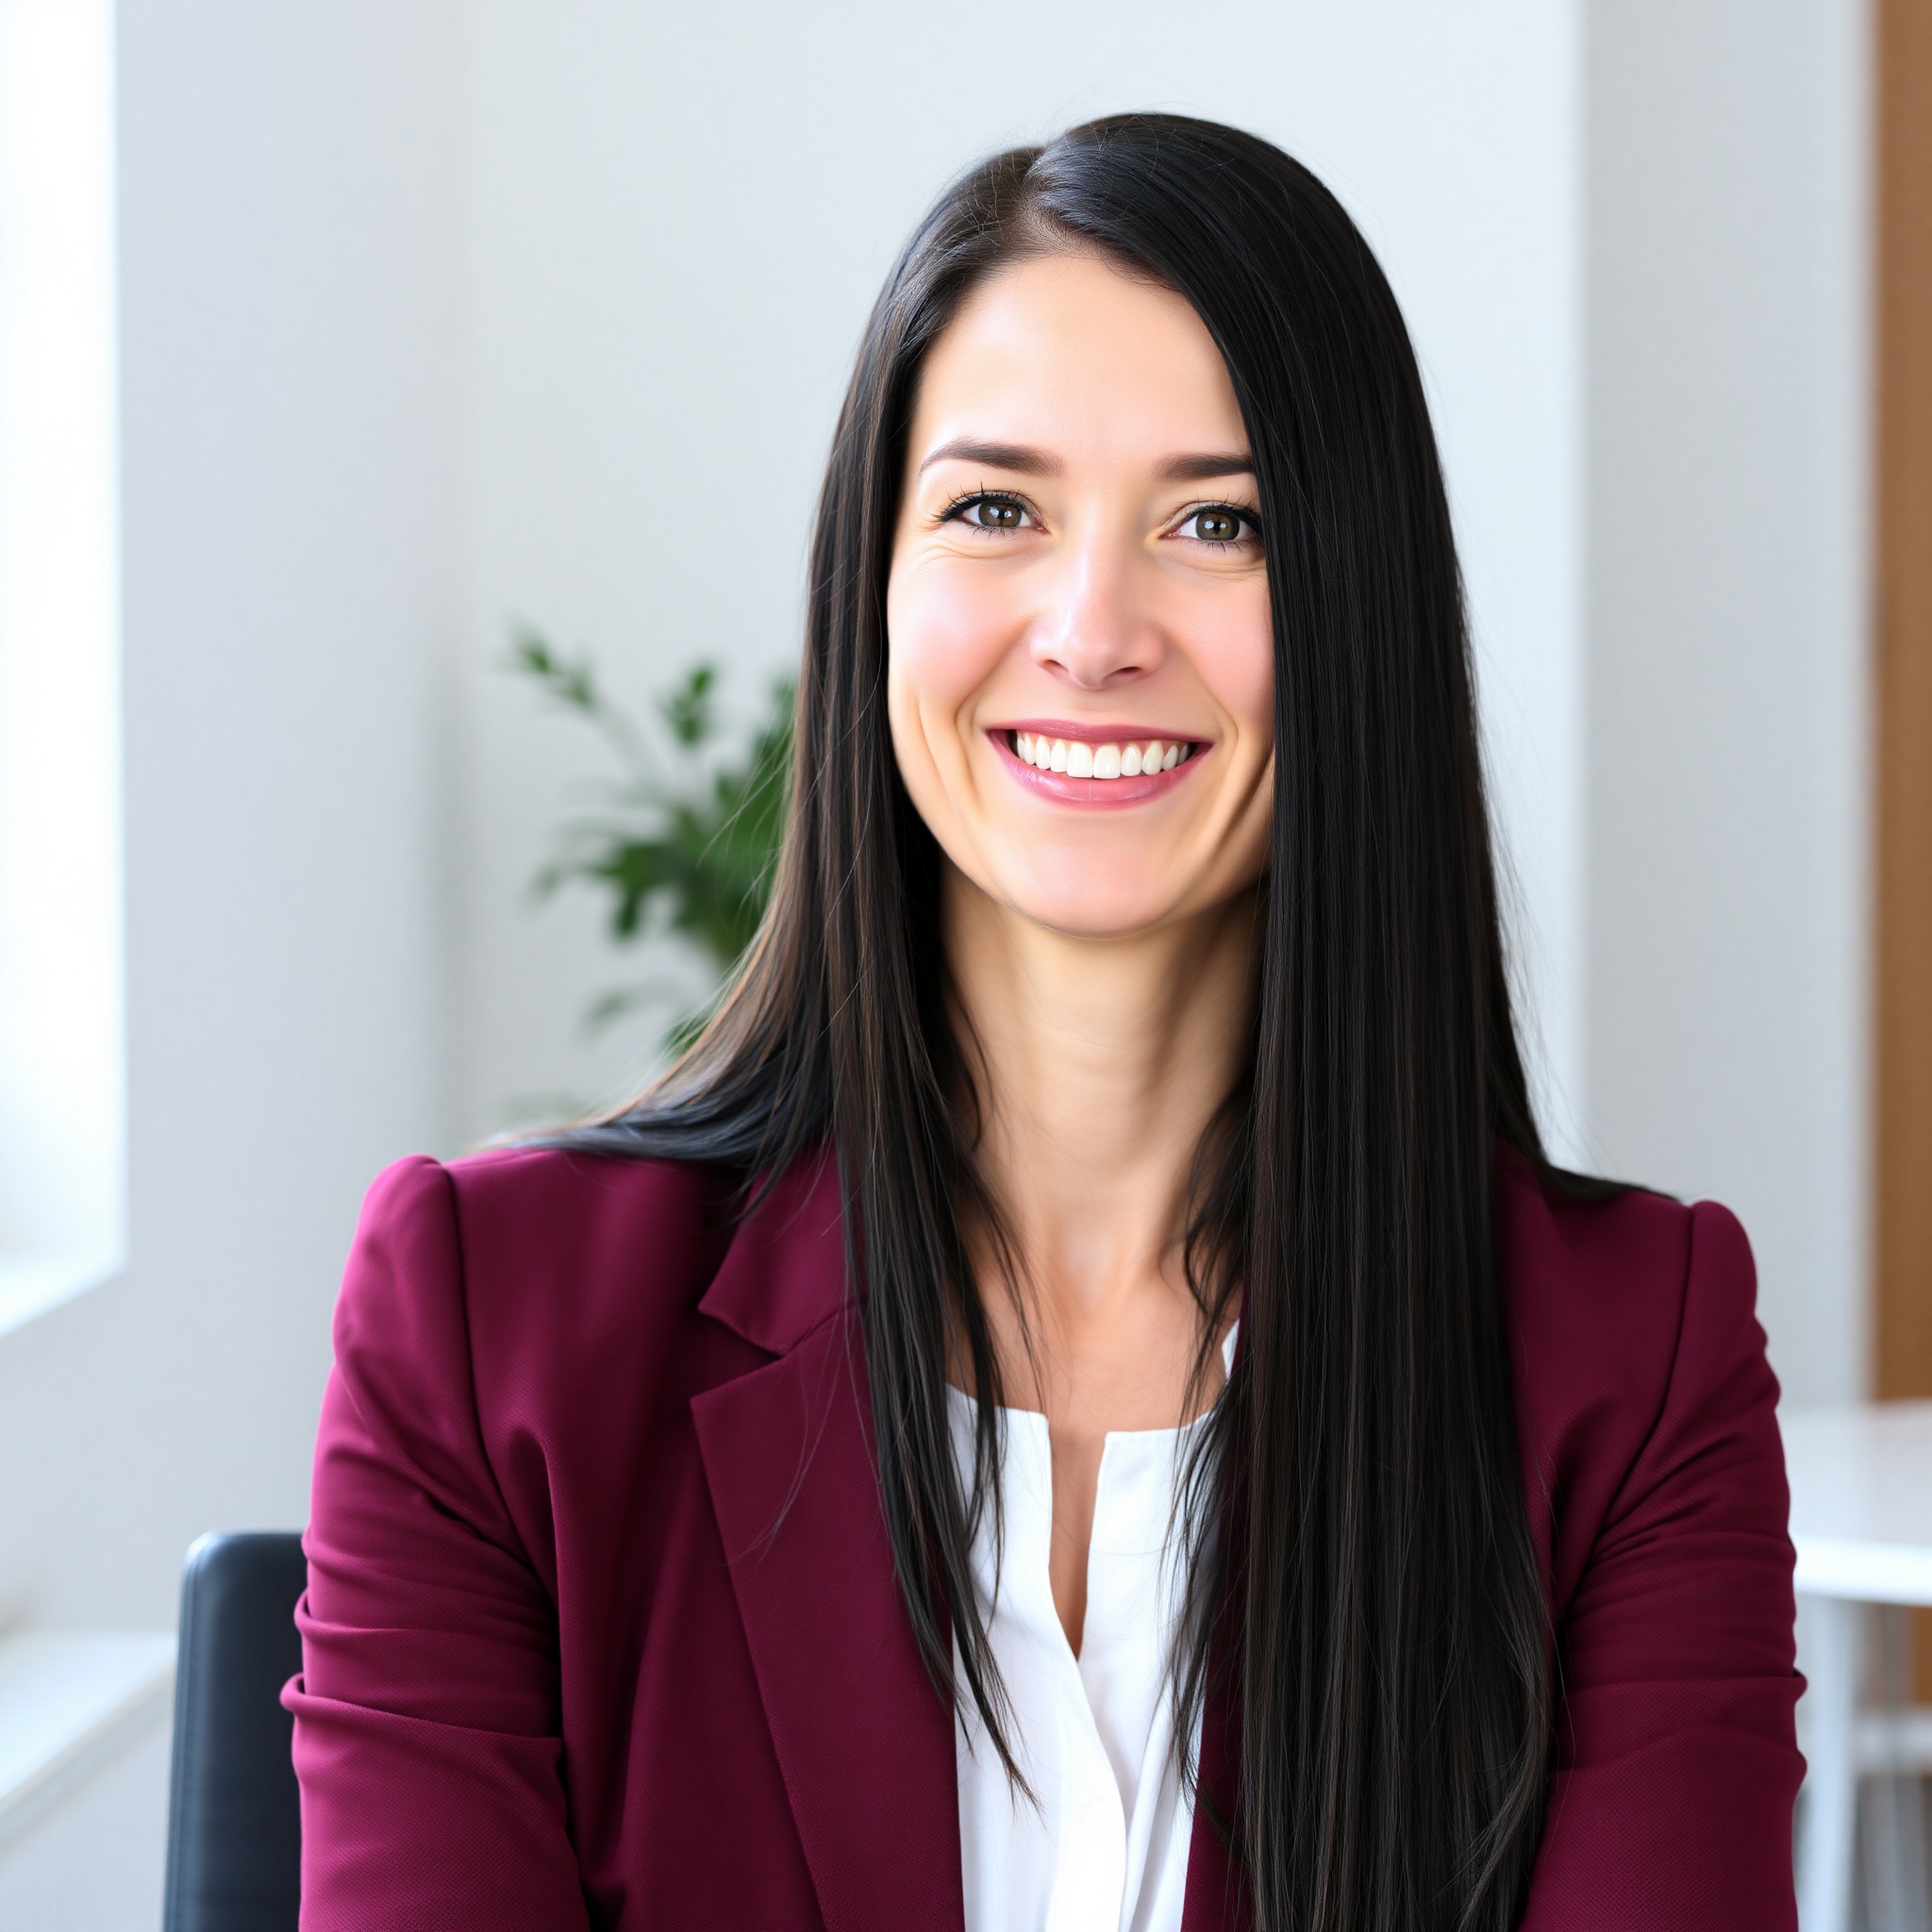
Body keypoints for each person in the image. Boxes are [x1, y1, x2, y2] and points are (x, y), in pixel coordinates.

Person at [287, 115, 1801, 1931]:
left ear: (1356, 613)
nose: (1092, 630)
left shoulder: (1631, 1369)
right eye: (996, 508)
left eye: (1217, 522)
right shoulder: (492, 1326)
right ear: (877, 587)